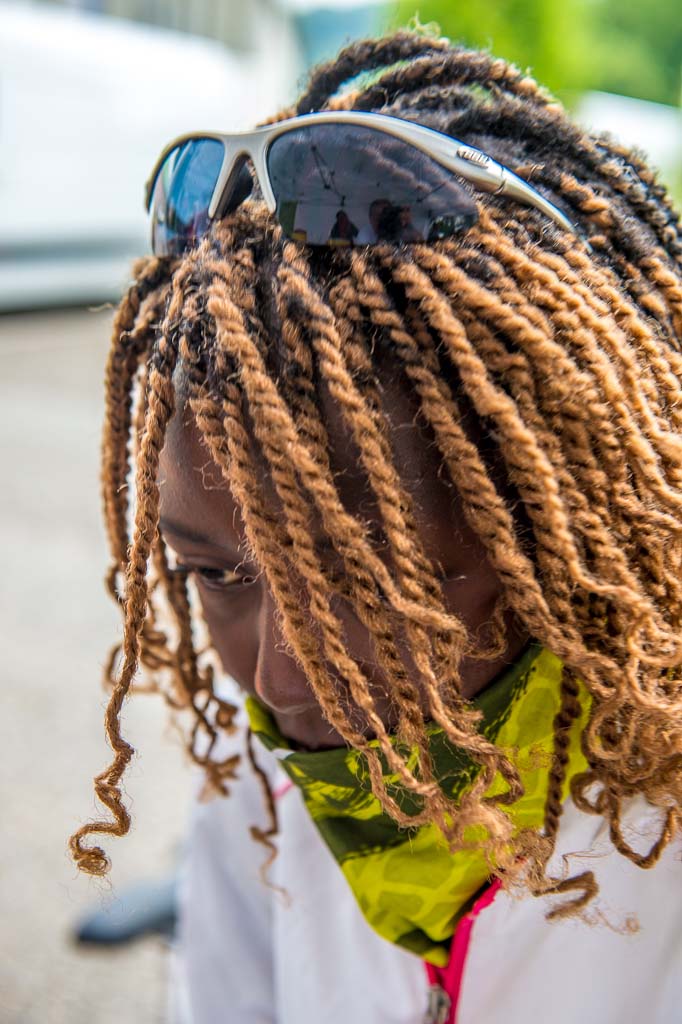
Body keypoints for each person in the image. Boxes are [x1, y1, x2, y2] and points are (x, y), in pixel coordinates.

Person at [70, 30, 682, 1024]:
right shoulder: (266, 779)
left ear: (559, 528)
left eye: (365, 579)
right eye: (215, 575)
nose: (278, 680)